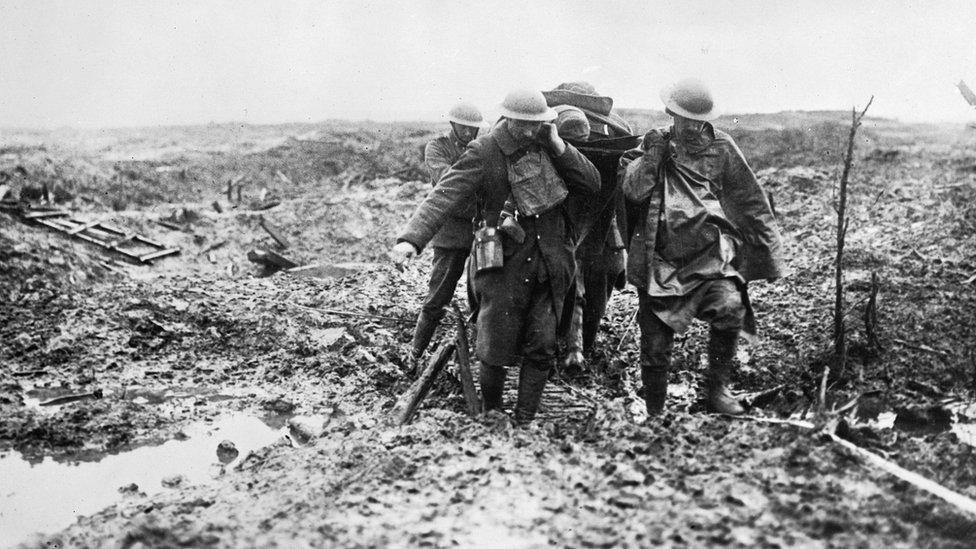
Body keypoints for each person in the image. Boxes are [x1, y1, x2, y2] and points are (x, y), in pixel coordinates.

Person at [392, 89, 600, 423]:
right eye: (524, 124)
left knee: (542, 345)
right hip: (503, 264)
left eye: (537, 124)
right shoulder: (486, 150)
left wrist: (559, 145)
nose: (530, 131)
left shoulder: (551, 145)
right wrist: (411, 240)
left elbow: (591, 183)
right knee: (494, 346)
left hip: (550, 262)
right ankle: (491, 412)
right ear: (509, 119)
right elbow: (446, 194)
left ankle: (524, 420)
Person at [619, 78, 785, 415]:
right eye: (686, 119)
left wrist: (769, 253)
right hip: (660, 262)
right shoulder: (651, 146)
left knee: (731, 309)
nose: (693, 127)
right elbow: (632, 190)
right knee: (655, 344)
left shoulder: (722, 147)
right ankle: (654, 412)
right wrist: (653, 156)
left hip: (711, 259)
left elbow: (749, 199)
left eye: (699, 119)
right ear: (672, 115)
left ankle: (717, 391)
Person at [542, 82, 639, 368]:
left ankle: (578, 346)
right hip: (570, 217)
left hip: (600, 224)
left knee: (594, 279)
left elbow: (622, 192)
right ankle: (571, 346)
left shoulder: (614, 136)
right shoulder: (615, 131)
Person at [409, 102, 484, 359]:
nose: (468, 132)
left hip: (480, 231)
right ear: (453, 124)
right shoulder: (438, 147)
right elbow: (448, 182)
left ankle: (479, 350)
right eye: (464, 127)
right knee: (438, 297)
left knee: (484, 296)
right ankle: (416, 351)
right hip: (451, 231)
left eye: (473, 128)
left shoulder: (481, 147)